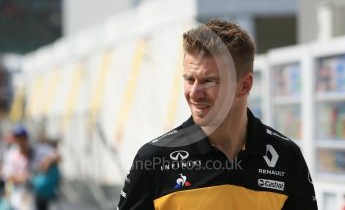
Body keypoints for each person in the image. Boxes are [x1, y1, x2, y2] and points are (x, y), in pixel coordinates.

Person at [117, 19, 318, 209]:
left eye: (209, 81)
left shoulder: (287, 157)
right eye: (189, 79)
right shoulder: (154, 159)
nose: (194, 93)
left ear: (245, 85)